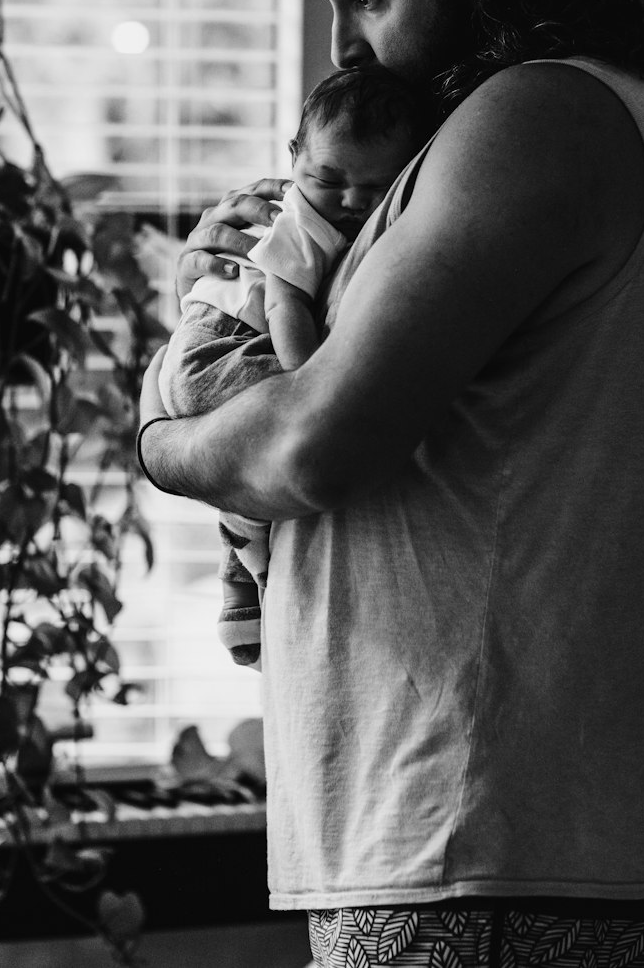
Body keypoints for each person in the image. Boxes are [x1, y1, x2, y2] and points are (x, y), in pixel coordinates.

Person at [136, 0, 644, 967]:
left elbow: (306, 448)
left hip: (473, 828)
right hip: (481, 822)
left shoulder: (534, 117)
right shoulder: (587, 117)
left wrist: (162, 433)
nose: (340, 46)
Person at [157, 65, 436, 669]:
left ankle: (242, 590)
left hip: (201, 352)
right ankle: (250, 563)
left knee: (250, 463)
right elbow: (284, 305)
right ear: (294, 159)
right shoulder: (298, 220)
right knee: (271, 446)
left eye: (377, 186)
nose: (352, 201)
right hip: (219, 353)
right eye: (327, 179)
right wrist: (310, 382)